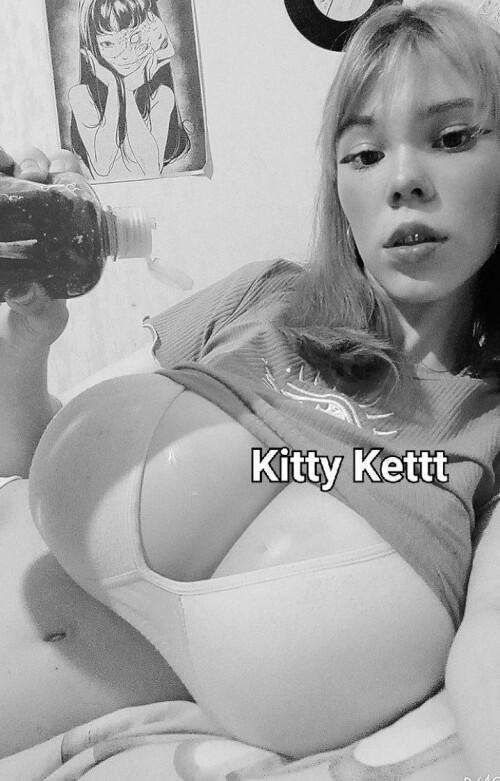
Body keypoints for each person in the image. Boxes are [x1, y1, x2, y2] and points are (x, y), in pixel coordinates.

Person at [2, 0, 500, 775]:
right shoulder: (262, 297)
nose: (404, 180)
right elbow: (26, 453)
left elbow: (491, 646)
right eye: (364, 152)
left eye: (452, 138)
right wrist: (29, 338)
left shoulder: (484, 432)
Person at [70, 0, 191, 181]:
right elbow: (102, 165)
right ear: (93, 48)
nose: (123, 54)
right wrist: (115, 86)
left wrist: (125, 90)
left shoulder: (162, 96)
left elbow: (151, 169)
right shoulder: (81, 96)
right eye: (107, 44)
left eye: (134, 38)